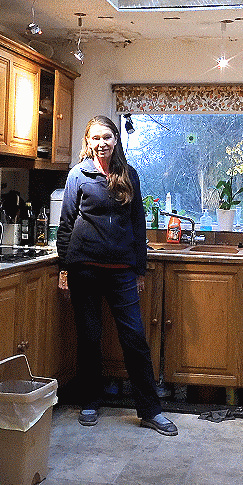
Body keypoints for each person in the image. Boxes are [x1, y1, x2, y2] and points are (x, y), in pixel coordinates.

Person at [56, 116, 178, 436]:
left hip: (122, 271)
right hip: (84, 269)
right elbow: (67, 224)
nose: (102, 143)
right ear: (88, 141)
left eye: (107, 137)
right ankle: (90, 402)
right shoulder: (77, 176)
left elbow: (138, 225)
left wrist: (139, 268)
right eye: (95, 137)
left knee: (135, 339)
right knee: (90, 337)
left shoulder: (129, 176)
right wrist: (64, 269)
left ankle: (150, 410)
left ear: (115, 140)